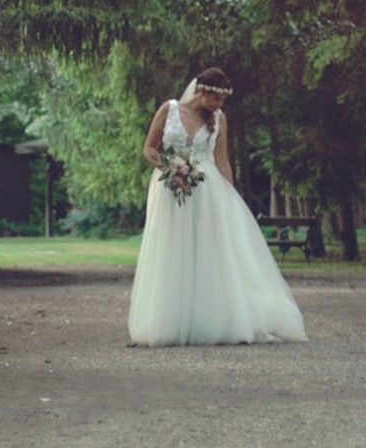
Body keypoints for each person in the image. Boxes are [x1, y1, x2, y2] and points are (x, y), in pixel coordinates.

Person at [126, 67, 308, 346]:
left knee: (207, 251)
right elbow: (149, 148)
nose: (221, 106)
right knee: (172, 250)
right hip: (170, 189)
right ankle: (170, 319)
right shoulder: (169, 110)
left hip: (207, 191)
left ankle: (209, 318)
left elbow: (221, 161)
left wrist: (231, 199)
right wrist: (171, 168)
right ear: (203, 92)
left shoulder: (219, 120)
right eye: (217, 99)